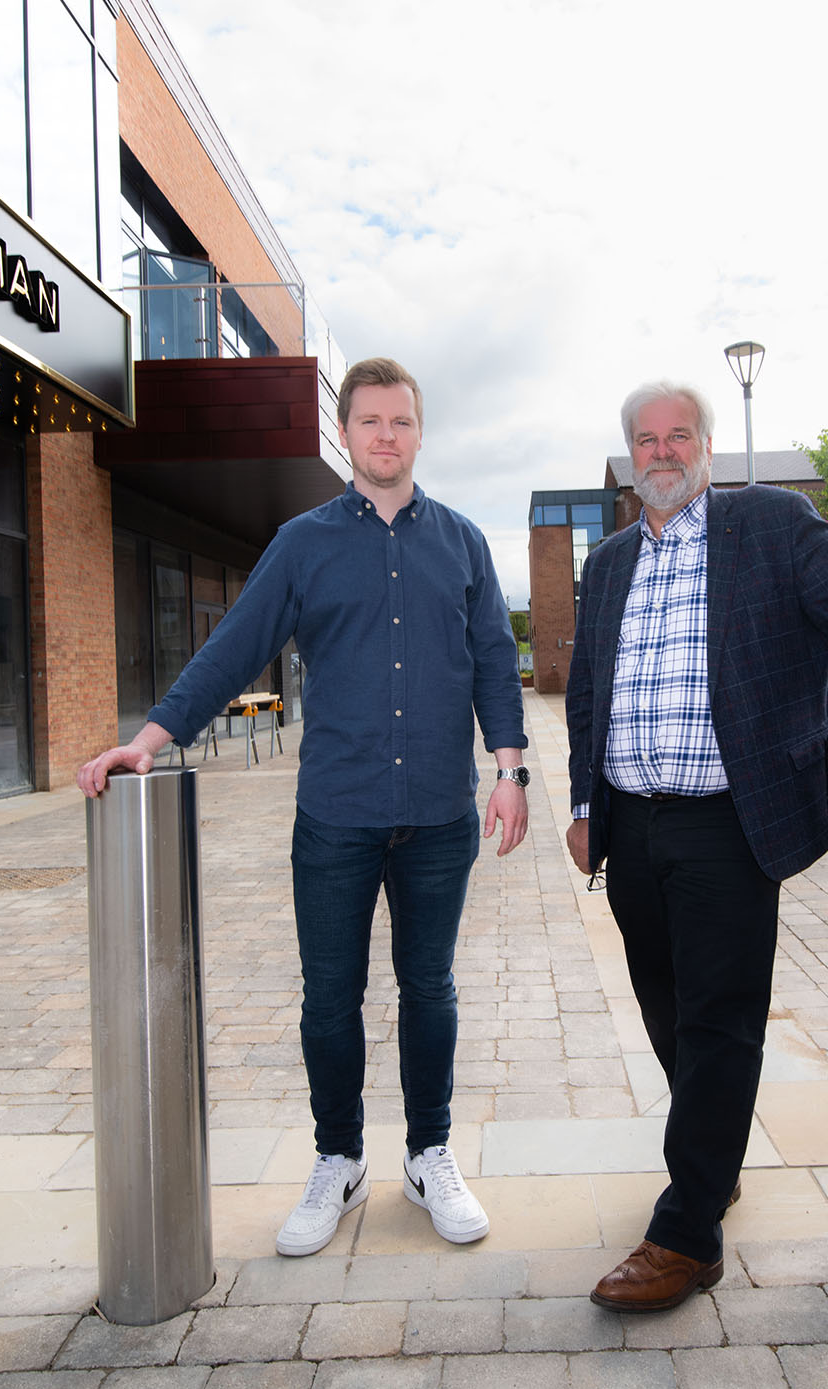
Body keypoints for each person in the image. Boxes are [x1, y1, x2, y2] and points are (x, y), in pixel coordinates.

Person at [78, 357, 529, 1258]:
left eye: (400, 421)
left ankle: (429, 1154)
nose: (386, 437)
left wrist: (510, 771)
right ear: (346, 433)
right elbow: (233, 646)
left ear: (418, 431)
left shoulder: (465, 543)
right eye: (369, 422)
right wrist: (151, 739)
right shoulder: (302, 541)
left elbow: (490, 658)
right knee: (330, 997)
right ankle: (340, 1158)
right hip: (336, 813)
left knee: (430, 987)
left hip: (440, 814)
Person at [565, 379, 828, 1312]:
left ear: (706, 447)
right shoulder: (606, 565)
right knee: (665, 1006)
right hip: (631, 822)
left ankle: (688, 1231)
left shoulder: (773, 525)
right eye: (647, 439)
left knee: (720, 1018)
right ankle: (714, 1158)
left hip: (729, 818)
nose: (663, 452)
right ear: (630, 455)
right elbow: (589, 694)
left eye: (680, 436)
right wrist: (583, 804)